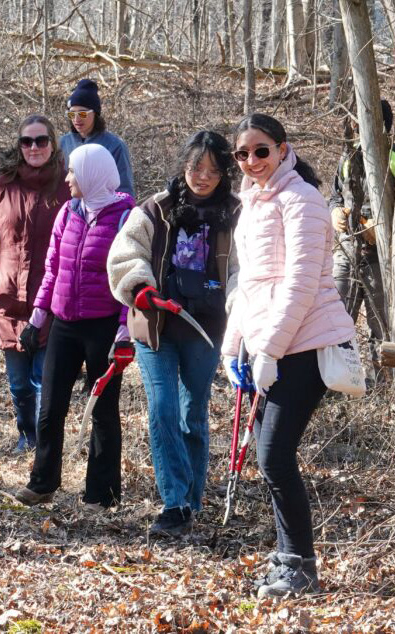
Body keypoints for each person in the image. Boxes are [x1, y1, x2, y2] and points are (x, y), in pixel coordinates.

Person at [224, 113, 356, 598]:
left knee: (275, 456)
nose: (253, 161)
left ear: (283, 149)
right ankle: (288, 561)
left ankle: (301, 567)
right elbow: (249, 284)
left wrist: (270, 352)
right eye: (243, 154)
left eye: (262, 150)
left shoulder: (303, 200)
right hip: (268, 346)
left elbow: (299, 286)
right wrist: (234, 346)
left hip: (306, 344)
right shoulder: (251, 203)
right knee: (269, 459)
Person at [107, 131, 241, 537]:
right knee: (162, 407)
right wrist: (142, 287)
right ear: (184, 165)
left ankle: (192, 499)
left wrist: (240, 311)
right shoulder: (156, 208)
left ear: (224, 174)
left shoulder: (237, 214)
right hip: (156, 324)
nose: (202, 177)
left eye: (213, 171)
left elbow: (242, 270)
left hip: (206, 328)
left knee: (192, 415)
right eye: (196, 167)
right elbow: (125, 252)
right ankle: (174, 505)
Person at [14, 144, 136, 509]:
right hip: (65, 324)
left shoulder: (126, 218)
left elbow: (130, 277)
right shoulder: (68, 212)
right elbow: (54, 269)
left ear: (93, 174)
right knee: (50, 408)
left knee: (101, 409)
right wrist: (38, 317)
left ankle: (102, 493)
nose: (67, 179)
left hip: (103, 328)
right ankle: (42, 483)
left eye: (73, 172)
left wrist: (124, 330)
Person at [0, 115, 68, 452]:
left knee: (44, 378)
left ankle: (45, 443)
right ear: (18, 145)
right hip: (5, 292)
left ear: (52, 144)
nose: (34, 147)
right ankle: (26, 435)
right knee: (19, 382)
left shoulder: (67, 186)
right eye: (27, 141)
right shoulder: (1, 185)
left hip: (51, 296)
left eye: (40, 141)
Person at [328, 100, 392, 381]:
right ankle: (334, 381)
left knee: (381, 325)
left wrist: (381, 229)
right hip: (346, 250)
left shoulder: (390, 156)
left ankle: (380, 387)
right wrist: (334, 213)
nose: (357, 127)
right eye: (353, 122)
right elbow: (336, 195)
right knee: (336, 318)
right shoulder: (347, 157)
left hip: (381, 255)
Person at [58, 79, 135, 198]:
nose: (76, 119)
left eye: (82, 113)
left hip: (104, 212)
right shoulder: (63, 143)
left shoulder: (114, 146)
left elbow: (125, 191)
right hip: (69, 211)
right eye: (72, 114)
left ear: (95, 113)